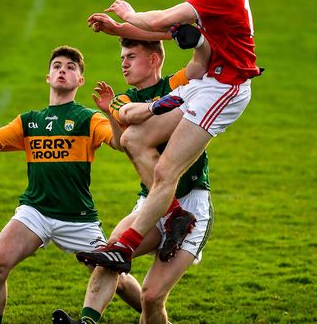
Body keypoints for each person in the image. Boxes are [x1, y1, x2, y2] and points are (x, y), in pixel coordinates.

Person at [77, 0, 261, 281]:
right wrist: (121, 28)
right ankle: (175, 214)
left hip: (225, 88)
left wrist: (129, 14)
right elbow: (167, 30)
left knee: (165, 171)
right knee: (133, 138)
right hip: (207, 81)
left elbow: (160, 20)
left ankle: (124, 247)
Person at [0, 46, 142, 324]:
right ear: (48, 77)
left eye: (70, 67)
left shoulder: (88, 118)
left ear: (80, 80)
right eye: (57, 66)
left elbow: (118, 142)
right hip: (36, 211)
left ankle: (155, 314)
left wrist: (110, 114)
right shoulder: (30, 121)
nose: (62, 70)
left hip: (78, 218)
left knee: (117, 277)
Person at [52, 38, 213, 324]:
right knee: (111, 253)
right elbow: (126, 114)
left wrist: (197, 35)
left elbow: (201, 62)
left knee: (151, 297)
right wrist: (159, 106)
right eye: (122, 58)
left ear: (153, 60)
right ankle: (87, 322)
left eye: (131, 57)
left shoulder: (175, 84)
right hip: (152, 202)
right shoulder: (122, 99)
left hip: (193, 203)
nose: (123, 64)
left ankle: (179, 217)